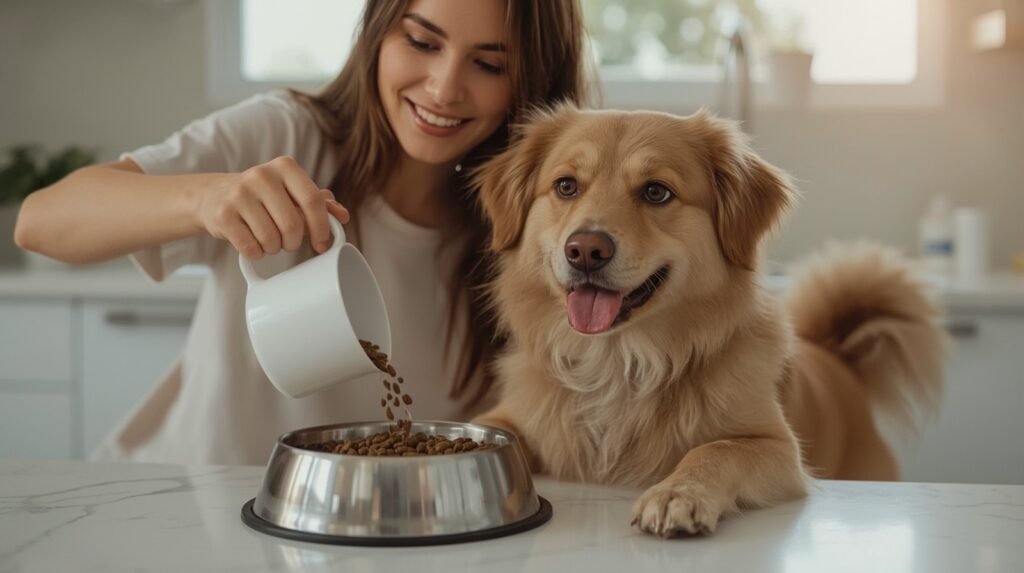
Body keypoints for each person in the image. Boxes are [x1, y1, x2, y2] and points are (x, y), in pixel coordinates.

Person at [14, 0, 588, 465]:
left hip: (364, 534)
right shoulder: (287, 135)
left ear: (532, 85)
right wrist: (207, 198)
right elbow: (40, 221)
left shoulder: (531, 241)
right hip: (174, 503)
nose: (443, 88)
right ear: (378, 32)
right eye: (421, 41)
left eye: (489, 65)